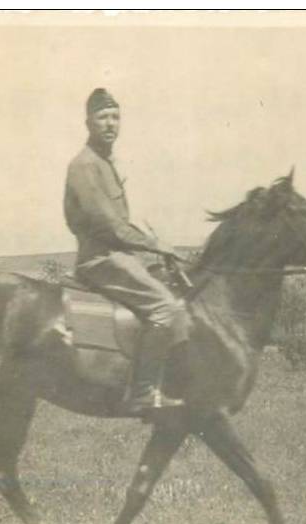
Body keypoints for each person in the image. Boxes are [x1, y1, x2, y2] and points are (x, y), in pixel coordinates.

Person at [63, 88, 188, 415]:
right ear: (88, 122)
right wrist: (155, 245)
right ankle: (144, 392)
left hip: (120, 257)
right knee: (165, 307)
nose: (110, 123)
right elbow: (111, 227)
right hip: (101, 260)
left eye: (115, 117)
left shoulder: (105, 164)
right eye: (102, 117)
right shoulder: (85, 166)